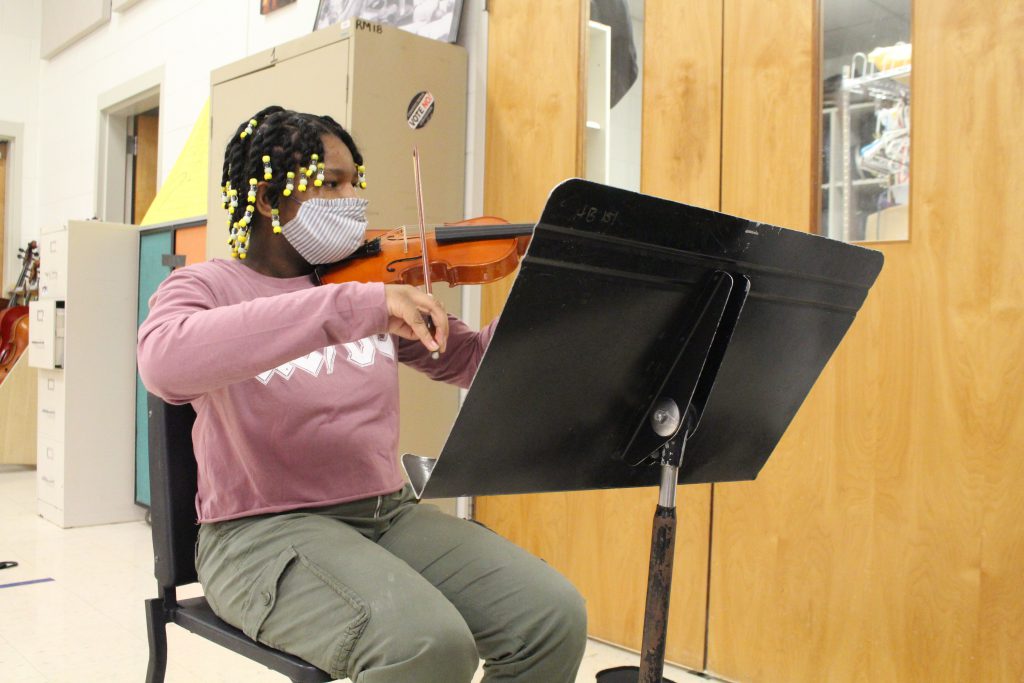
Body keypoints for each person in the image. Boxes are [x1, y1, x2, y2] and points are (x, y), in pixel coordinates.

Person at [137, 106, 587, 682]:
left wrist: (551, 297)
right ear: (271, 200)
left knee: (551, 617)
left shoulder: (364, 281)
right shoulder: (209, 286)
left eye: (356, 181)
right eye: (331, 183)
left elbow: (472, 360)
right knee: (427, 644)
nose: (354, 198)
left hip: (386, 514)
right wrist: (356, 307)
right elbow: (164, 363)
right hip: (259, 534)